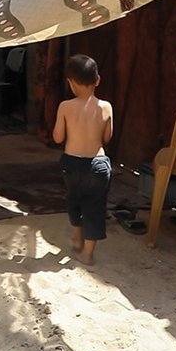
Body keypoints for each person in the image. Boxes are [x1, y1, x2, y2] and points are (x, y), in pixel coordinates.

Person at [52, 54, 113, 265]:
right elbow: (107, 137)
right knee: (94, 206)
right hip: (98, 165)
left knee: (74, 201)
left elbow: (58, 137)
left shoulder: (65, 106)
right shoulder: (106, 107)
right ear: (98, 80)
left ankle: (77, 239)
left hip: (72, 163)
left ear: (71, 82)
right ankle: (87, 254)